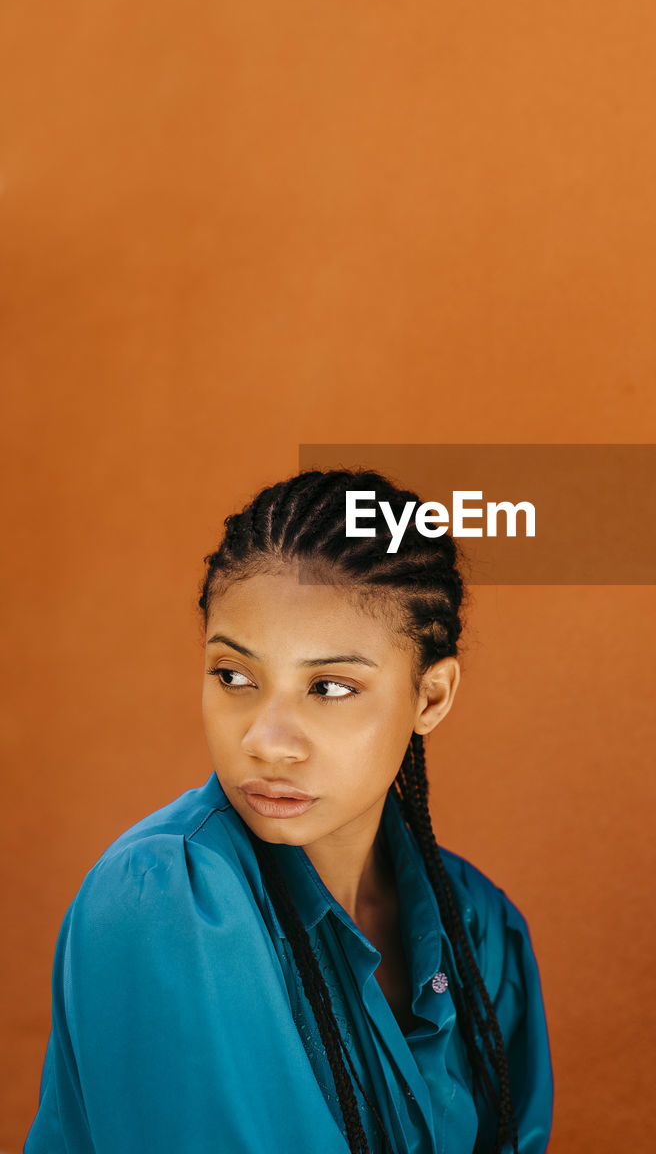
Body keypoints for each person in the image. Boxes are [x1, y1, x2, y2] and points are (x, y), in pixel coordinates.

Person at [25, 468, 553, 1153]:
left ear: (430, 696)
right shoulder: (162, 898)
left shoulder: (481, 931)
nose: (265, 742)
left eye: (329, 687)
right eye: (234, 677)